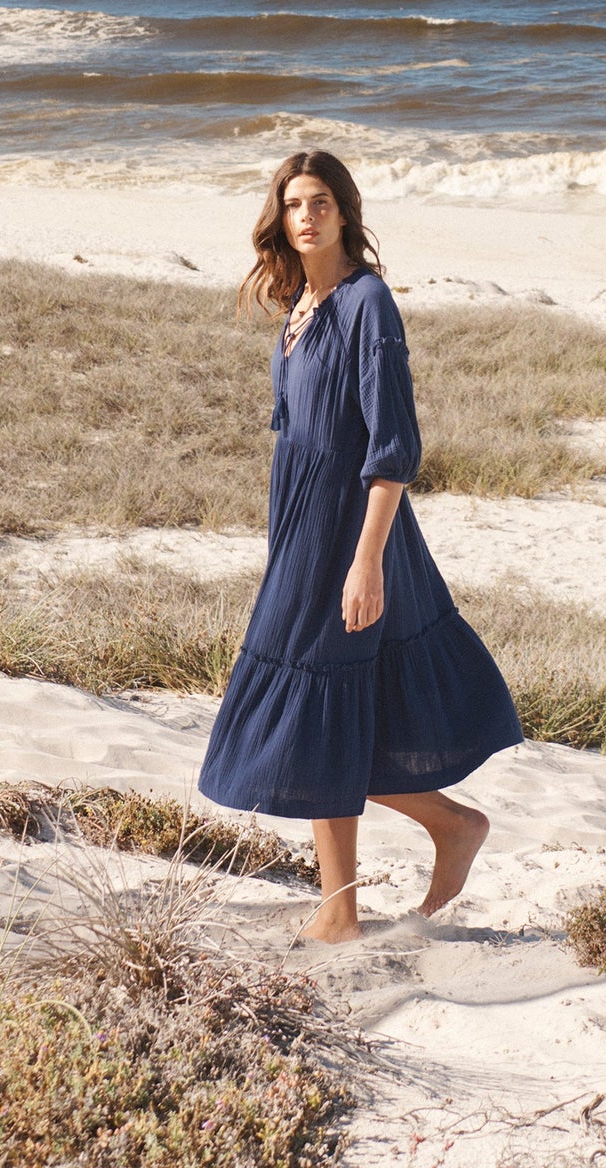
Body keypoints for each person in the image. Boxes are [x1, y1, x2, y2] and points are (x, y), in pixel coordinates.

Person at [198, 149, 523, 942]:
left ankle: (349, 903)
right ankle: (434, 837)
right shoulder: (299, 307)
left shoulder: (367, 303)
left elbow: (392, 446)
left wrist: (366, 559)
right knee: (331, 711)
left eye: (319, 202)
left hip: (351, 534)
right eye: (291, 203)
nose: (304, 216)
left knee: (315, 709)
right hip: (303, 532)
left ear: (345, 212)